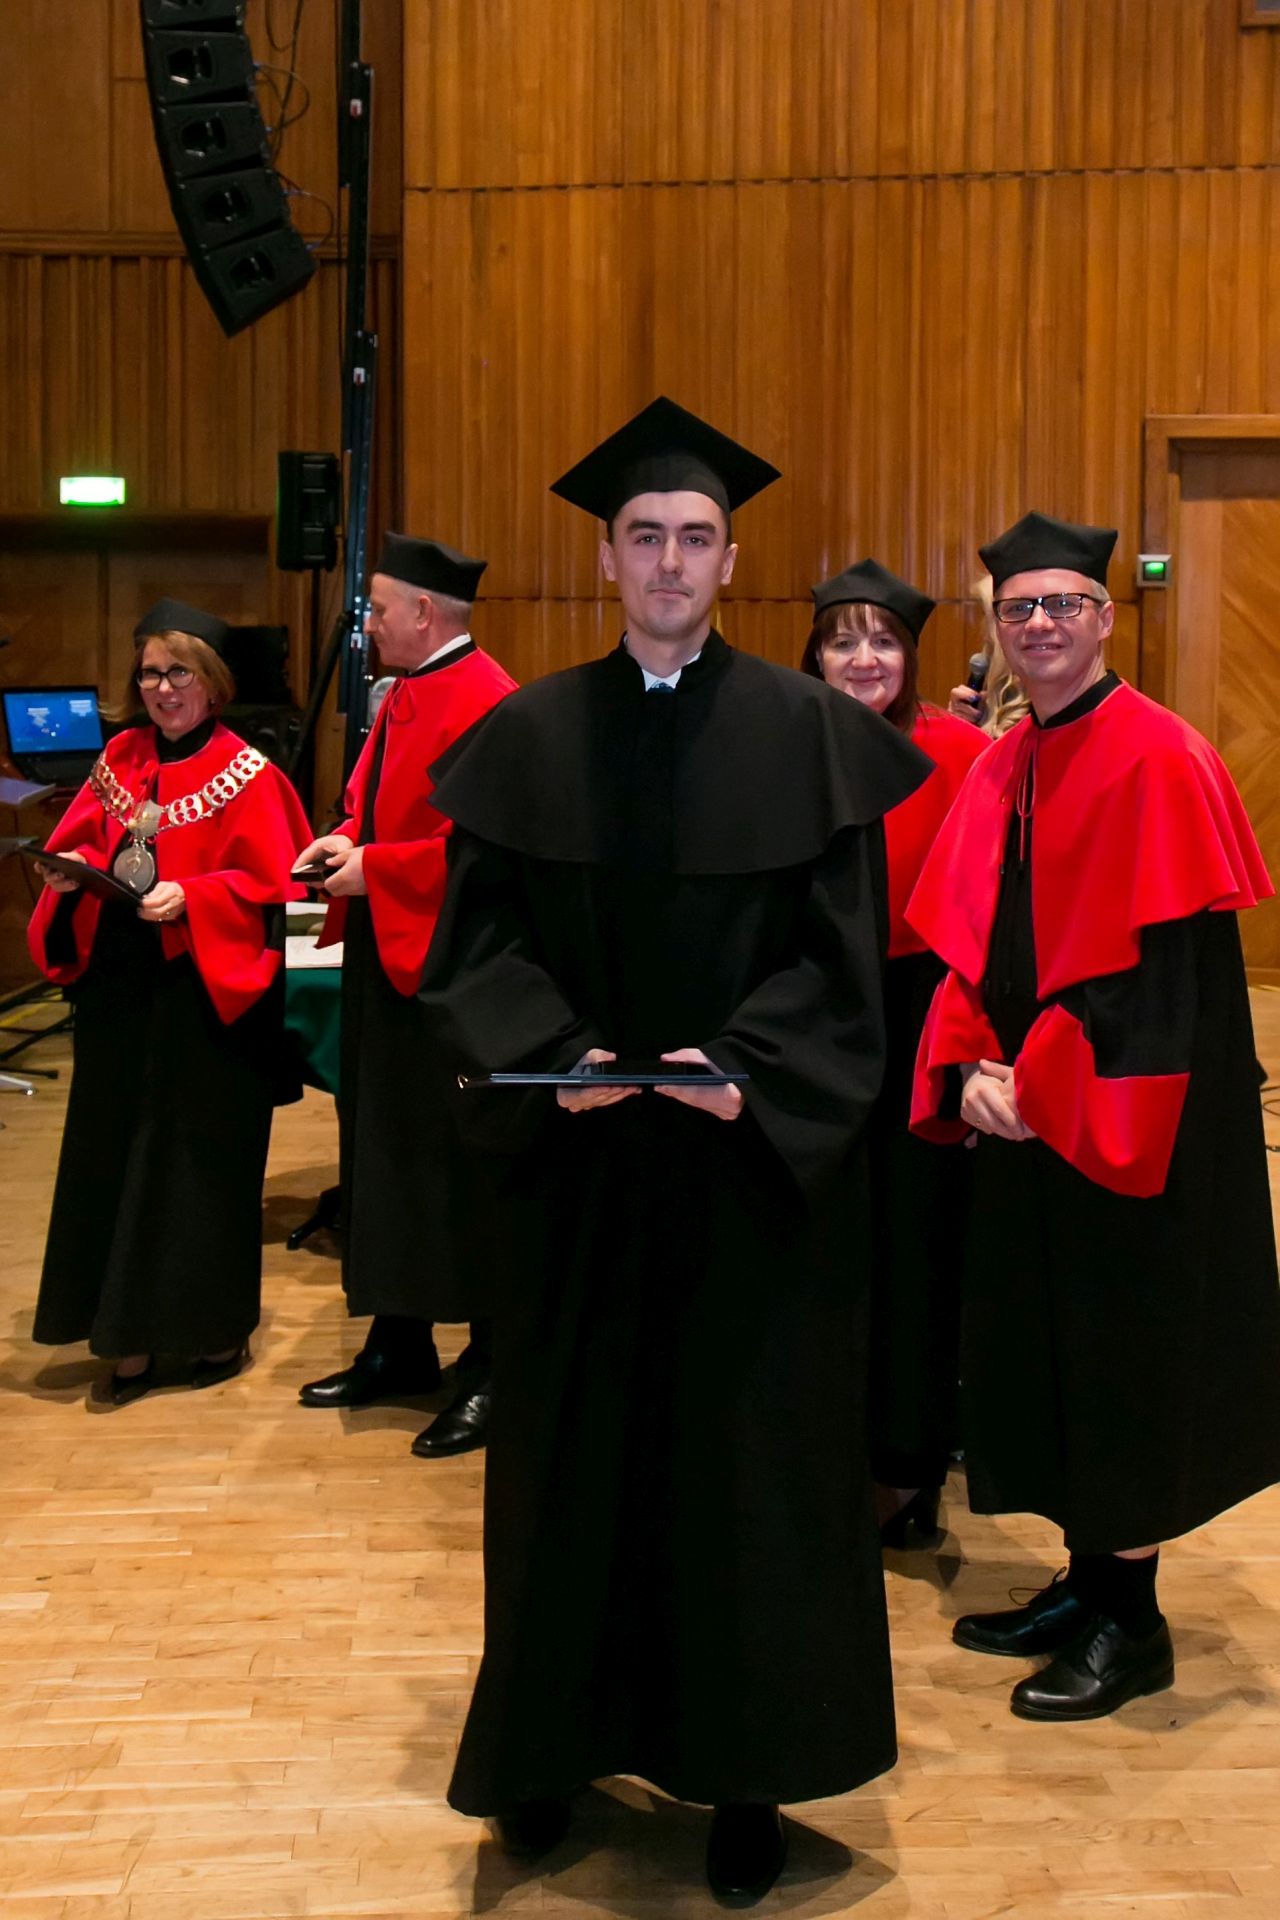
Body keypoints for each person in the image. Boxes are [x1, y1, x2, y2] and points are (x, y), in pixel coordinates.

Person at [418, 398, 931, 1901]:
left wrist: (747, 1066)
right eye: (643, 536)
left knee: (746, 1485)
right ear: (605, 558)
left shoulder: (811, 739)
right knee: (566, 1473)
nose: (667, 562)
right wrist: (555, 1055)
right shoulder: (528, 736)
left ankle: (745, 1780)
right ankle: (548, 1752)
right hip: (578, 1176)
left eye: (694, 538)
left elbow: (842, 963)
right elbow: (475, 947)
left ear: (729, 561)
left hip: (745, 1182)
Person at [909, 511, 1280, 1721]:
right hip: (1026, 1111)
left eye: (1061, 605)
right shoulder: (1005, 760)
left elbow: (1160, 993)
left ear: (1104, 618)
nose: (1038, 625)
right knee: (1045, 1342)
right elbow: (971, 941)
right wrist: (966, 1066)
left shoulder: (1160, 757)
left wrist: (1038, 1086)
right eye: (1017, 609)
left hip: (1129, 1122)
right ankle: (1083, 1581)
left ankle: (1132, 1621)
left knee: (1121, 1352)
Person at [28, 599, 312, 1403]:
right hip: (120, 990)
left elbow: (277, 885)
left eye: (178, 671)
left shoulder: (249, 771)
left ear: (213, 682)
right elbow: (85, 840)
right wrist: (66, 872)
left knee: (194, 1168)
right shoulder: (119, 755)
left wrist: (198, 895)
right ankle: (123, 1342)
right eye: (150, 673)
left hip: (204, 999)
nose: (161, 687)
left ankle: (211, 1329)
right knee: (113, 1157)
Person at [296, 535, 516, 1459]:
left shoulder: (489, 701)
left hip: (452, 971)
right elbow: (376, 806)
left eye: (377, 609)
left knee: (462, 1171)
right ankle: (399, 1340)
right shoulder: (405, 693)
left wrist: (375, 869)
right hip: (387, 960)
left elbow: (487, 852)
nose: (368, 625)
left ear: (424, 613)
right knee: (385, 1158)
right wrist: (346, 840)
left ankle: (492, 1365)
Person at [801, 560, 986, 1545]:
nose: (863, 658)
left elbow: (989, 918)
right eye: (843, 640)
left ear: (910, 657)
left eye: (883, 641)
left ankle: (908, 1465)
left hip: (921, 1016)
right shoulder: (785, 744)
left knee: (915, 1245)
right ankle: (817, 1450)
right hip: (809, 1018)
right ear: (815, 656)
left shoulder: (957, 752)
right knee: (818, 1243)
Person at [947, 572, 1030, 737]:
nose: (982, 630)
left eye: (985, 616)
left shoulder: (1042, 701)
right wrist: (960, 724)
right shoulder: (989, 692)